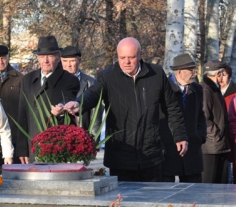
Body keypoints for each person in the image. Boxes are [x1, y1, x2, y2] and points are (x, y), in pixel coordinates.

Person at [61, 37, 188, 182]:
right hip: (120, 155)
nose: (126, 62)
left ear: (140, 55)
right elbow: (92, 95)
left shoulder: (157, 74)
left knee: (152, 201)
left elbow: (172, 107)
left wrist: (180, 135)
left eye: (131, 57)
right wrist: (78, 104)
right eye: (122, 58)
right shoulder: (108, 76)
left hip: (151, 155)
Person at [16, 36, 80, 164]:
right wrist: (22, 149)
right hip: (33, 145)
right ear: (37, 58)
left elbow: (69, 98)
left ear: (58, 56)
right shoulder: (27, 79)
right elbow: (22, 113)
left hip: (57, 146)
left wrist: (62, 107)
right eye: (41, 56)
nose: (45, 60)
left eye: (50, 56)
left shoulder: (69, 79)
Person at [160, 54, 206, 183]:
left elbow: (200, 115)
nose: (194, 73)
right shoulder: (164, 88)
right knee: (166, 193)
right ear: (179, 71)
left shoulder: (197, 89)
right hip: (169, 150)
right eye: (191, 70)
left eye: (194, 69)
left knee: (194, 192)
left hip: (192, 149)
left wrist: (200, 136)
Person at [61, 45, 103, 136]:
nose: (68, 65)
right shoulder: (55, 82)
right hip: (59, 138)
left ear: (79, 61)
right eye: (65, 61)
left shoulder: (91, 82)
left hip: (82, 137)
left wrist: (94, 139)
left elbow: (96, 115)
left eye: (72, 61)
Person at [200, 60, 230, 183]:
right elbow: (203, 116)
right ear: (218, 74)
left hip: (219, 146)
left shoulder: (214, 89)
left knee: (220, 187)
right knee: (209, 186)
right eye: (221, 74)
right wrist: (216, 135)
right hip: (211, 147)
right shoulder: (206, 90)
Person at [219, 64, 236, 183]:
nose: (221, 78)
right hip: (219, 134)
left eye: (224, 75)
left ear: (229, 76)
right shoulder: (212, 91)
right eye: (219, 75)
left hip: (233, 135)